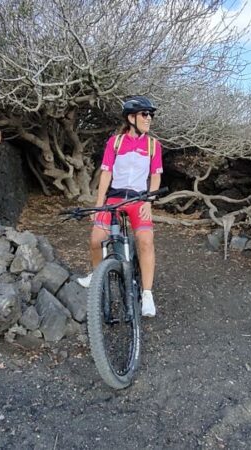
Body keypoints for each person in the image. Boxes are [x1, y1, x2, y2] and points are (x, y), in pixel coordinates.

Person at [77, 96, 163, 318]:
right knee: (97, 239)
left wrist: (149, 201)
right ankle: (97, 278)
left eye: (150, 115)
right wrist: (99, 204)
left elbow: (155, 176)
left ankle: (147, 293)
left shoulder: (153, 145)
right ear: (131, 117)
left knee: (145, 240)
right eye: (145, 114)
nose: (149, 118)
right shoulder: (115, 142)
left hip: (138, 200)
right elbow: (106, 172)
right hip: (114, 199)